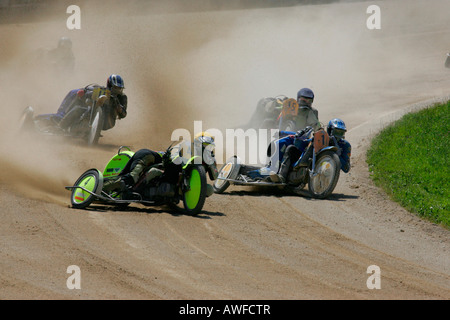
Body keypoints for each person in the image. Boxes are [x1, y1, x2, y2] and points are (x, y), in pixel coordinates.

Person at [103, 132, 217, 193]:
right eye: (205, 146)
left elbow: (214, 177)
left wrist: (211, 162)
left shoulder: (207, 160)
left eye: (210, 147)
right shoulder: (186, 148)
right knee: (132, 177)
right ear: (197, 144)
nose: (208, 149)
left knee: (208, 190)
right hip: (151, 157)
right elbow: (173, 155)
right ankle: (101, 187)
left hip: (170, 178)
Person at [56, 74, 127, 132]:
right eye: (115, 87)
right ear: (110, 85)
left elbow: (124, 114)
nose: (117, 90)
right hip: (90, 114)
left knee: (78, 108)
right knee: (77, 109)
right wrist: (83, 91)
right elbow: (88, 90)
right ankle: (60, 127)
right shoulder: (101, 90)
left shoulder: (122, 97)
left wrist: (119, 109)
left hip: (108, 122)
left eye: (119, 88)